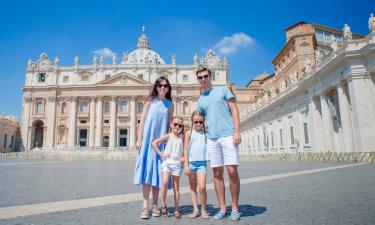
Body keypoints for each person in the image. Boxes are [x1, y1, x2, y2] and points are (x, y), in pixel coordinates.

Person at [196, 67, 241, 221]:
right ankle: (222, 207)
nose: (203, 79)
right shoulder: (200, 100)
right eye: (200, 77)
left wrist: (236, 131)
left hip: (228, 134)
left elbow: (235, 110)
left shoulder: (223, 90)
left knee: (232, 170)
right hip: (212, 138)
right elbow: (199, 122)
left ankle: (234, 207)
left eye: (205, 76)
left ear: (210, 76)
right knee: (217, 173)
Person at [133, 76, 174, 219]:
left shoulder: (170, 104)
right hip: (147, 141)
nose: (163, 88)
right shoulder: (150, 100)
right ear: (156, 87)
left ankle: (155, 205)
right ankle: (145, 206)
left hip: (161, 143)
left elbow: (170, 125)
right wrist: (139, 139)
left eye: (165, 85)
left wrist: (170, 142)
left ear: (168, 88)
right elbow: (143, 120)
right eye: (160, 85)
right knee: (147, 173)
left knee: (158, 173)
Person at [152, 116, 185, 219]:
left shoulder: (182, 137)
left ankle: (176, 208)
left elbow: (186, 149)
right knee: (165, 182)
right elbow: (154, 143)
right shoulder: (168, 135)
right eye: (175, 124)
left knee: (176, 186)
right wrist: (161, 153)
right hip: (167, 163)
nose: (177, 126)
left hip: (177, 164)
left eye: (180, 125)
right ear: (171, 124)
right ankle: (163, 204)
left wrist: (183, 158)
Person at [183, 111, 209, 219]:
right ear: (192, 122)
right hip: (192, 163)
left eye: (200, 122)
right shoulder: (189, 133)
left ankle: (203, 209)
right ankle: (195, 209)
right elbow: (185, 150)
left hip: (202, 163)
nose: (198, 124)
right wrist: (186, 165)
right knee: (193, 187)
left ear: (203, 122)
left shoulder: (206, 133)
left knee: (202, 187)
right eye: (195, 122)